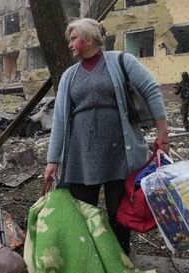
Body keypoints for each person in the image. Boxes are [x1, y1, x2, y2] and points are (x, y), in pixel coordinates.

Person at [44, 18, 169, 255]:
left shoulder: (121, 61)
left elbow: (151, 89)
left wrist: (163, 132)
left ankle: (119, 261)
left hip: (119, 154)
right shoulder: (69, 75)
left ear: (89, 38)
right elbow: (60, 119)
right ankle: (89, 260)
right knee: (82, 215)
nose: (69, 44)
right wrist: (53, 160)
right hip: (81, 157)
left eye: (74, 38)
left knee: (118, 216)